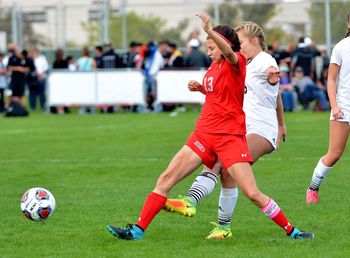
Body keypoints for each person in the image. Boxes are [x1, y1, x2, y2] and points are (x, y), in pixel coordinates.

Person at [106, 13, 314, 241]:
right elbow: (225, 94)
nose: (209, 52)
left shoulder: (238, 62)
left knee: (253, 193)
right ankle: (137, 231)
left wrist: (208, 29)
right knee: (165, 179)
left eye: (212, 47)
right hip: (204, 133)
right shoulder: (214, 67)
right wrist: (202, 89)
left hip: (230, 137)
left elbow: (229, 55)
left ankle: (292, 231)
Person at [163, 21, 290, 239]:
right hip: (242, 128)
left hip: (260, 130)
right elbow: (275, 94)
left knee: (220, 163)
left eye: (240, 42)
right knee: (226, 174)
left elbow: (273, 75)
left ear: (256, 41)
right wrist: (282, 123)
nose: (236, 47)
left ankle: (190, 201)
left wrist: (272, 75)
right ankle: (224, 228)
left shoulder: (264, 60)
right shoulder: (246, 64)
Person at [306, 11, 350, 204]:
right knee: (334, 155)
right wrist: (334, 105)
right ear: (348, 23)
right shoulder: (341, 47)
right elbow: (331, 79)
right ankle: (313, 188)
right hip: (344, 106)